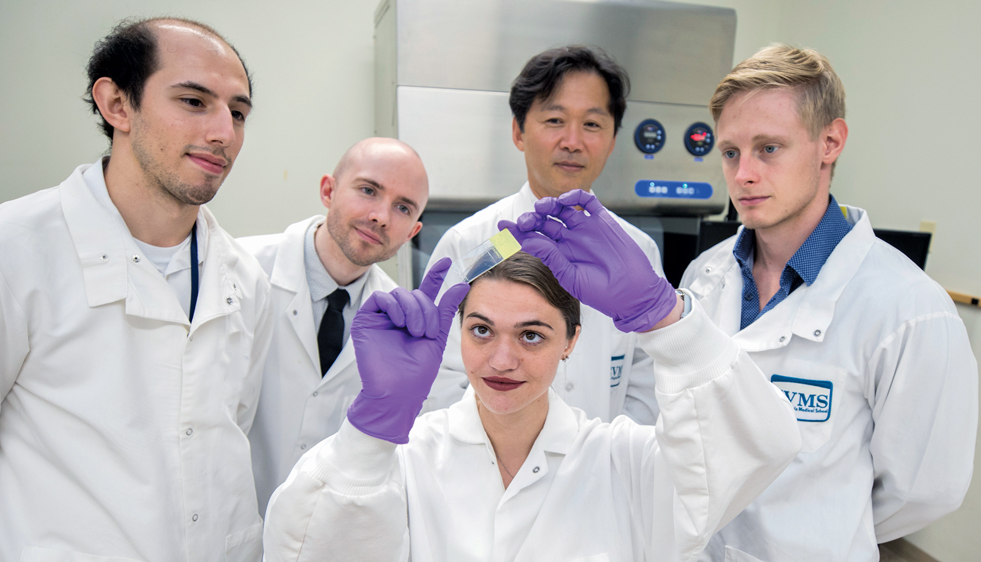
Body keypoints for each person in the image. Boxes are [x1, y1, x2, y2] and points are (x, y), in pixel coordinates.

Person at [262, 190, 801, 561]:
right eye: (480, 330)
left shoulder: (626, 464)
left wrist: (666, 317)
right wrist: (371, 426)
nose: (501, 360)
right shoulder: (404, 464)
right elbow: (303, 548)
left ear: (572, 341)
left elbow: (762, 445)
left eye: (532, 335)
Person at [0, 18, 273, 561]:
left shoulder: (245, 281)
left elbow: (230, 437)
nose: (224, 133)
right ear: (117, 104)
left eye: (237, 113)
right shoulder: (4, 254)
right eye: (193, 101)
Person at [679, 44, 978, 562]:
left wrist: (825, 525)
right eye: (730, 152)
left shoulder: (909, 308)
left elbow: (922, 491)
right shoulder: (704, 277)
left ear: (830, 142)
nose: (743, 174)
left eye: (769, 148)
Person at [426, 45, 666, 425]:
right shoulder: (471, 244)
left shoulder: (638, 249)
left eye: (592, 124)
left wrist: (612, 459)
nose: (572, 141)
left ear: (612, 140)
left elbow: (647, 377)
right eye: (555, 120)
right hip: (492, 472)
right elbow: (440, 375)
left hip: (601, 471)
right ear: (519, 132)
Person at [239, 138, 458, 515]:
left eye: (402, 208)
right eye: (369, 190)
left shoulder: (403, 326)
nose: (381, 216)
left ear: (412, 231)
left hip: (323, 536)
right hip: (224, 529)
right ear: (329, 190)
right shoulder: (239, 270)